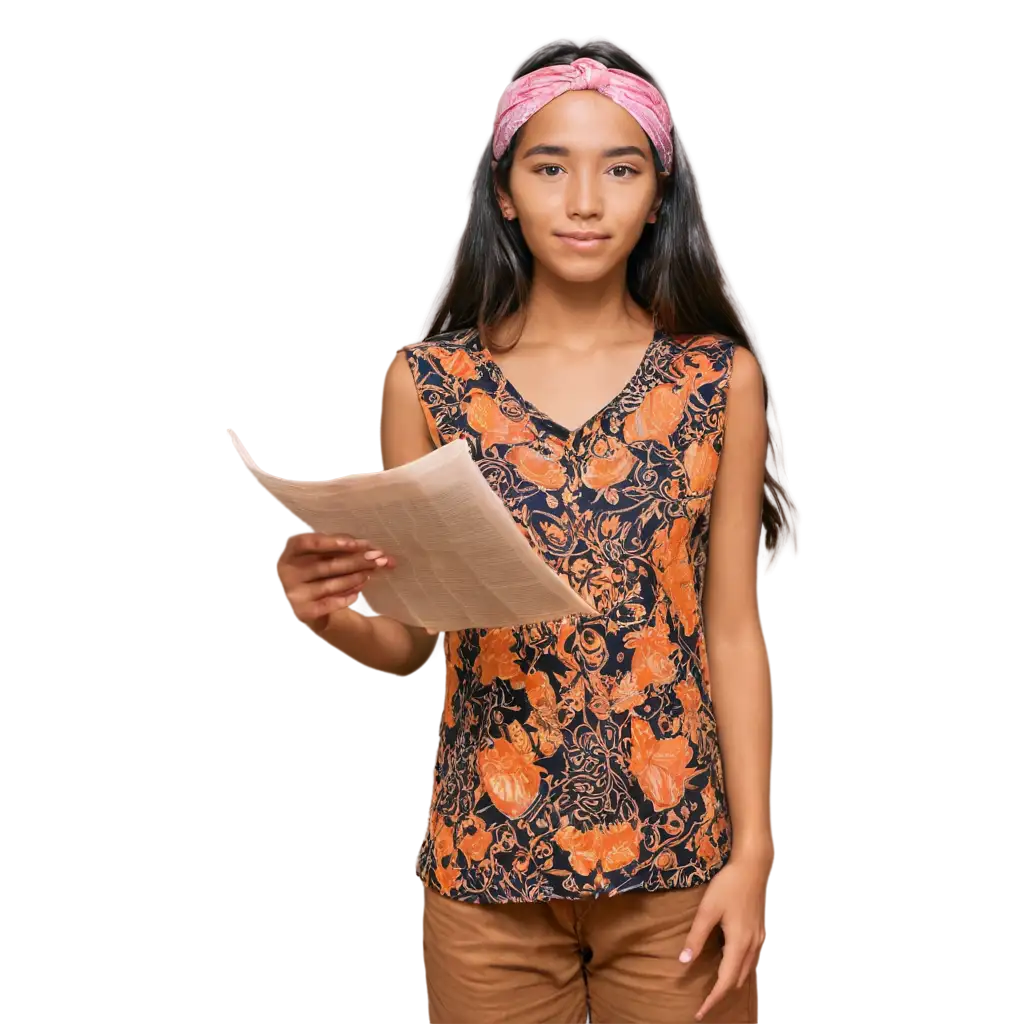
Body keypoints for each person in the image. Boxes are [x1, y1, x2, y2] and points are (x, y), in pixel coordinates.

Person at [274, 32, 789, 1024]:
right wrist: (328, 609)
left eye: (620, 168)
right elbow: (413, 634)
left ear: (657, 194)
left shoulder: (719, 380)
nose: (585, 201)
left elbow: (730, 630)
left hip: (677, 862)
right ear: (505, 194)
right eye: (550, 167)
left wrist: (754, 851)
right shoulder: (425, 384)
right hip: (484, 871)